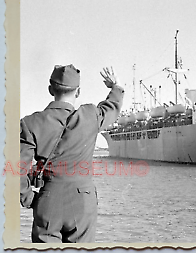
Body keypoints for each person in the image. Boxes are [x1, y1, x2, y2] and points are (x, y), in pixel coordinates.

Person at [19, 64, 124, 243]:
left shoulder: (29, 123)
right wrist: (116, 87)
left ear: (50, 89)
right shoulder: (90, 116)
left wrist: (29, 199)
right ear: (78, 92)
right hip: (83, 202)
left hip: (48, 200)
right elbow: (112, 107)